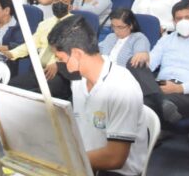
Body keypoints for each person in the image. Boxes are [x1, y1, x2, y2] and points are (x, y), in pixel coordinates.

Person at [48, 15, 149, 176]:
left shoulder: (121, 88)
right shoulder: (79, 81)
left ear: (77, 54)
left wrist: (64, 162)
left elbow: (114, 158)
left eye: (60, 58)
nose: (58, 63)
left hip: (115, 171)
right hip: (87, 162)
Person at [130, 2, 189, 124]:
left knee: (143, 103)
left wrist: (179, 88)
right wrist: (143, 55)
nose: (184, 22)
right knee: (134, 62)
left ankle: (158, 117)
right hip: (160, 85)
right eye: (179, 18)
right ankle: (161, 105)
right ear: (174, 21)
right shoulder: (165, 40)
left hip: (187, 92)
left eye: (188, 18)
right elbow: (150, 64)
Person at [4, 0, 75, 99]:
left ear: (70, 6)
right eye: (56, 0)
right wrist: (11, 53)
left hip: (60, 75)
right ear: (52, 3)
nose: (59, 3)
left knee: (37, 96)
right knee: (9, 87)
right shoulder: (45, 24)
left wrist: (59, 65)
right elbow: (31, 44)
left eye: (64, 1)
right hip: (38, 72)